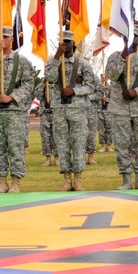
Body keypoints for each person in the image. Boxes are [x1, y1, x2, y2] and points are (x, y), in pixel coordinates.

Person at [0, 26, 36, 193]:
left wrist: (13, 97)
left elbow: (28, 83)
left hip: (14, 110)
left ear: (12, 39)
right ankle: (2, 182)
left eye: (6, 36)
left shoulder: (22, 61)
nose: (3, 39)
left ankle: (16, 182)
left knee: (15, 146)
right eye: (0, 36)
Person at [104, 23, 138, 190]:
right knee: (122, 145)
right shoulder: (115, 56)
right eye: (128, 37)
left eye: (134, 37)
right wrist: (123, 56)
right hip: (120, 109)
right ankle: (126, 179)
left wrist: (137, 91)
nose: (132, 40)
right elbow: (111, 75)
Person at [44, 30, 97, 191]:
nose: (65, 45)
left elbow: (91, 86)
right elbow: (50, 78)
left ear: (73, 44)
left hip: (78, 109)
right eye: (63, 42)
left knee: (79, 143)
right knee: (62, 144)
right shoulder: (53, 62)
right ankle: (67, 180)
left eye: (68, 42)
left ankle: (78, 179)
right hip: (60, 109)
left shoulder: (83, 64)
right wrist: (55, 56)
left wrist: (74, 91)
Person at [38, 79, 56, 167]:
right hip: (44, 112)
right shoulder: (43, 84)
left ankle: (57, 158)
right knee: (45, 137)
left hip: (56, 112)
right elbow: (37, 95)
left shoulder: (58, 83)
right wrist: (43, 83)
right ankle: (48, 159)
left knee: (57, 136)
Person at [85, 78, 101, 166]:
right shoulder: (75, 77)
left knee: (91, 135)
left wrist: (88, 97)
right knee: (78, 135)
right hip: (78, 111)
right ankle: (80, 157)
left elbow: (100, 92)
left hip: (91, 111)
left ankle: (90, 156)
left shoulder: (93, 78)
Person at [97, 76, 113, 153]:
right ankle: (103, 145)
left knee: (109, 128)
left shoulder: (111, 88)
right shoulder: (98, 87)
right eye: (102, 77)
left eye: (105, 77)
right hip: (100, 110)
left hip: (108, 110)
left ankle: (109, 145)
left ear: (107, 78)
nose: (103, 79)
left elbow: (115, 99)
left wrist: (107, 99)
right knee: (101, 129)